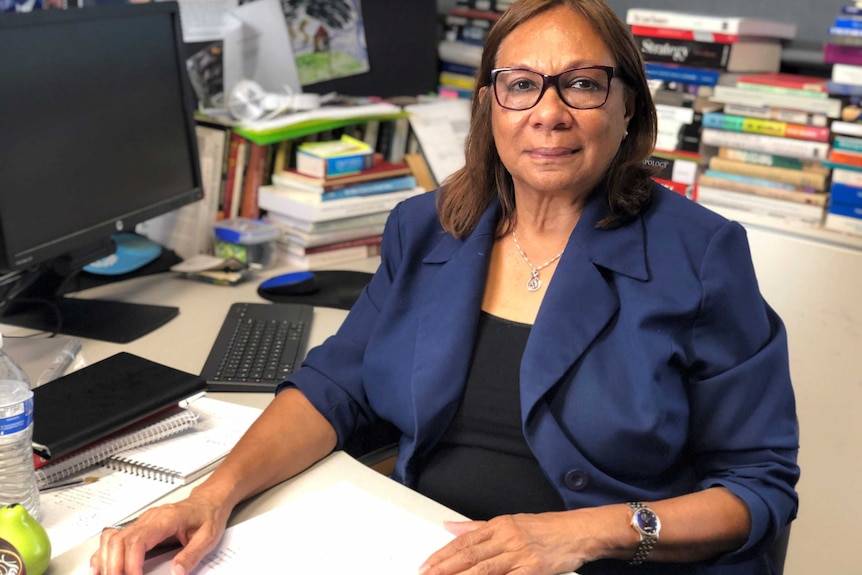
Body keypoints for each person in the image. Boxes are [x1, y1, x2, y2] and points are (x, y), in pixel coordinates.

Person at [91, 0, 799, 573]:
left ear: (626, 111)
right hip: (420, 545)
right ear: (490, 107)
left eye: (582, 83)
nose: (548, 111)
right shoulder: (427, 229)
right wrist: (211, 498)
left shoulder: (700, 256)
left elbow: (756, 485)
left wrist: (581, 535)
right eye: (521, 84)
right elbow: (335, 387)